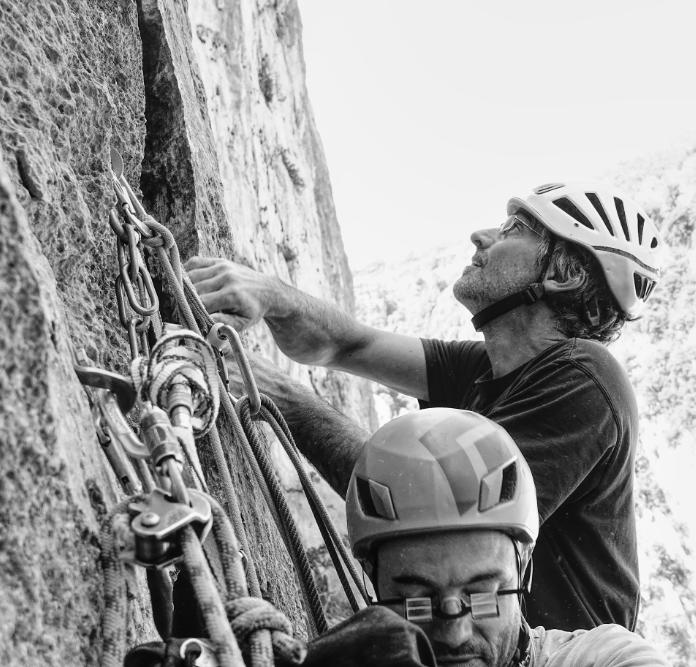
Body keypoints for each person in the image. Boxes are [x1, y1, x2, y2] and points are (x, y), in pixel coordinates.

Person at [185, 182, 663, 631]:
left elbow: (419, 517)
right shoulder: (487, 367)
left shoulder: (584, 380)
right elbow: (348, 345)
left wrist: (280, 395)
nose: (482, 236)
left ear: (565, 274)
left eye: (516, 230)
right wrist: (270, 296)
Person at [302, 408, 668, 667]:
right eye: (416, 601)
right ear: (373, 580)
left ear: (523, 572)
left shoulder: (599, 658)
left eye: (483, 597)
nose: (455, 635)